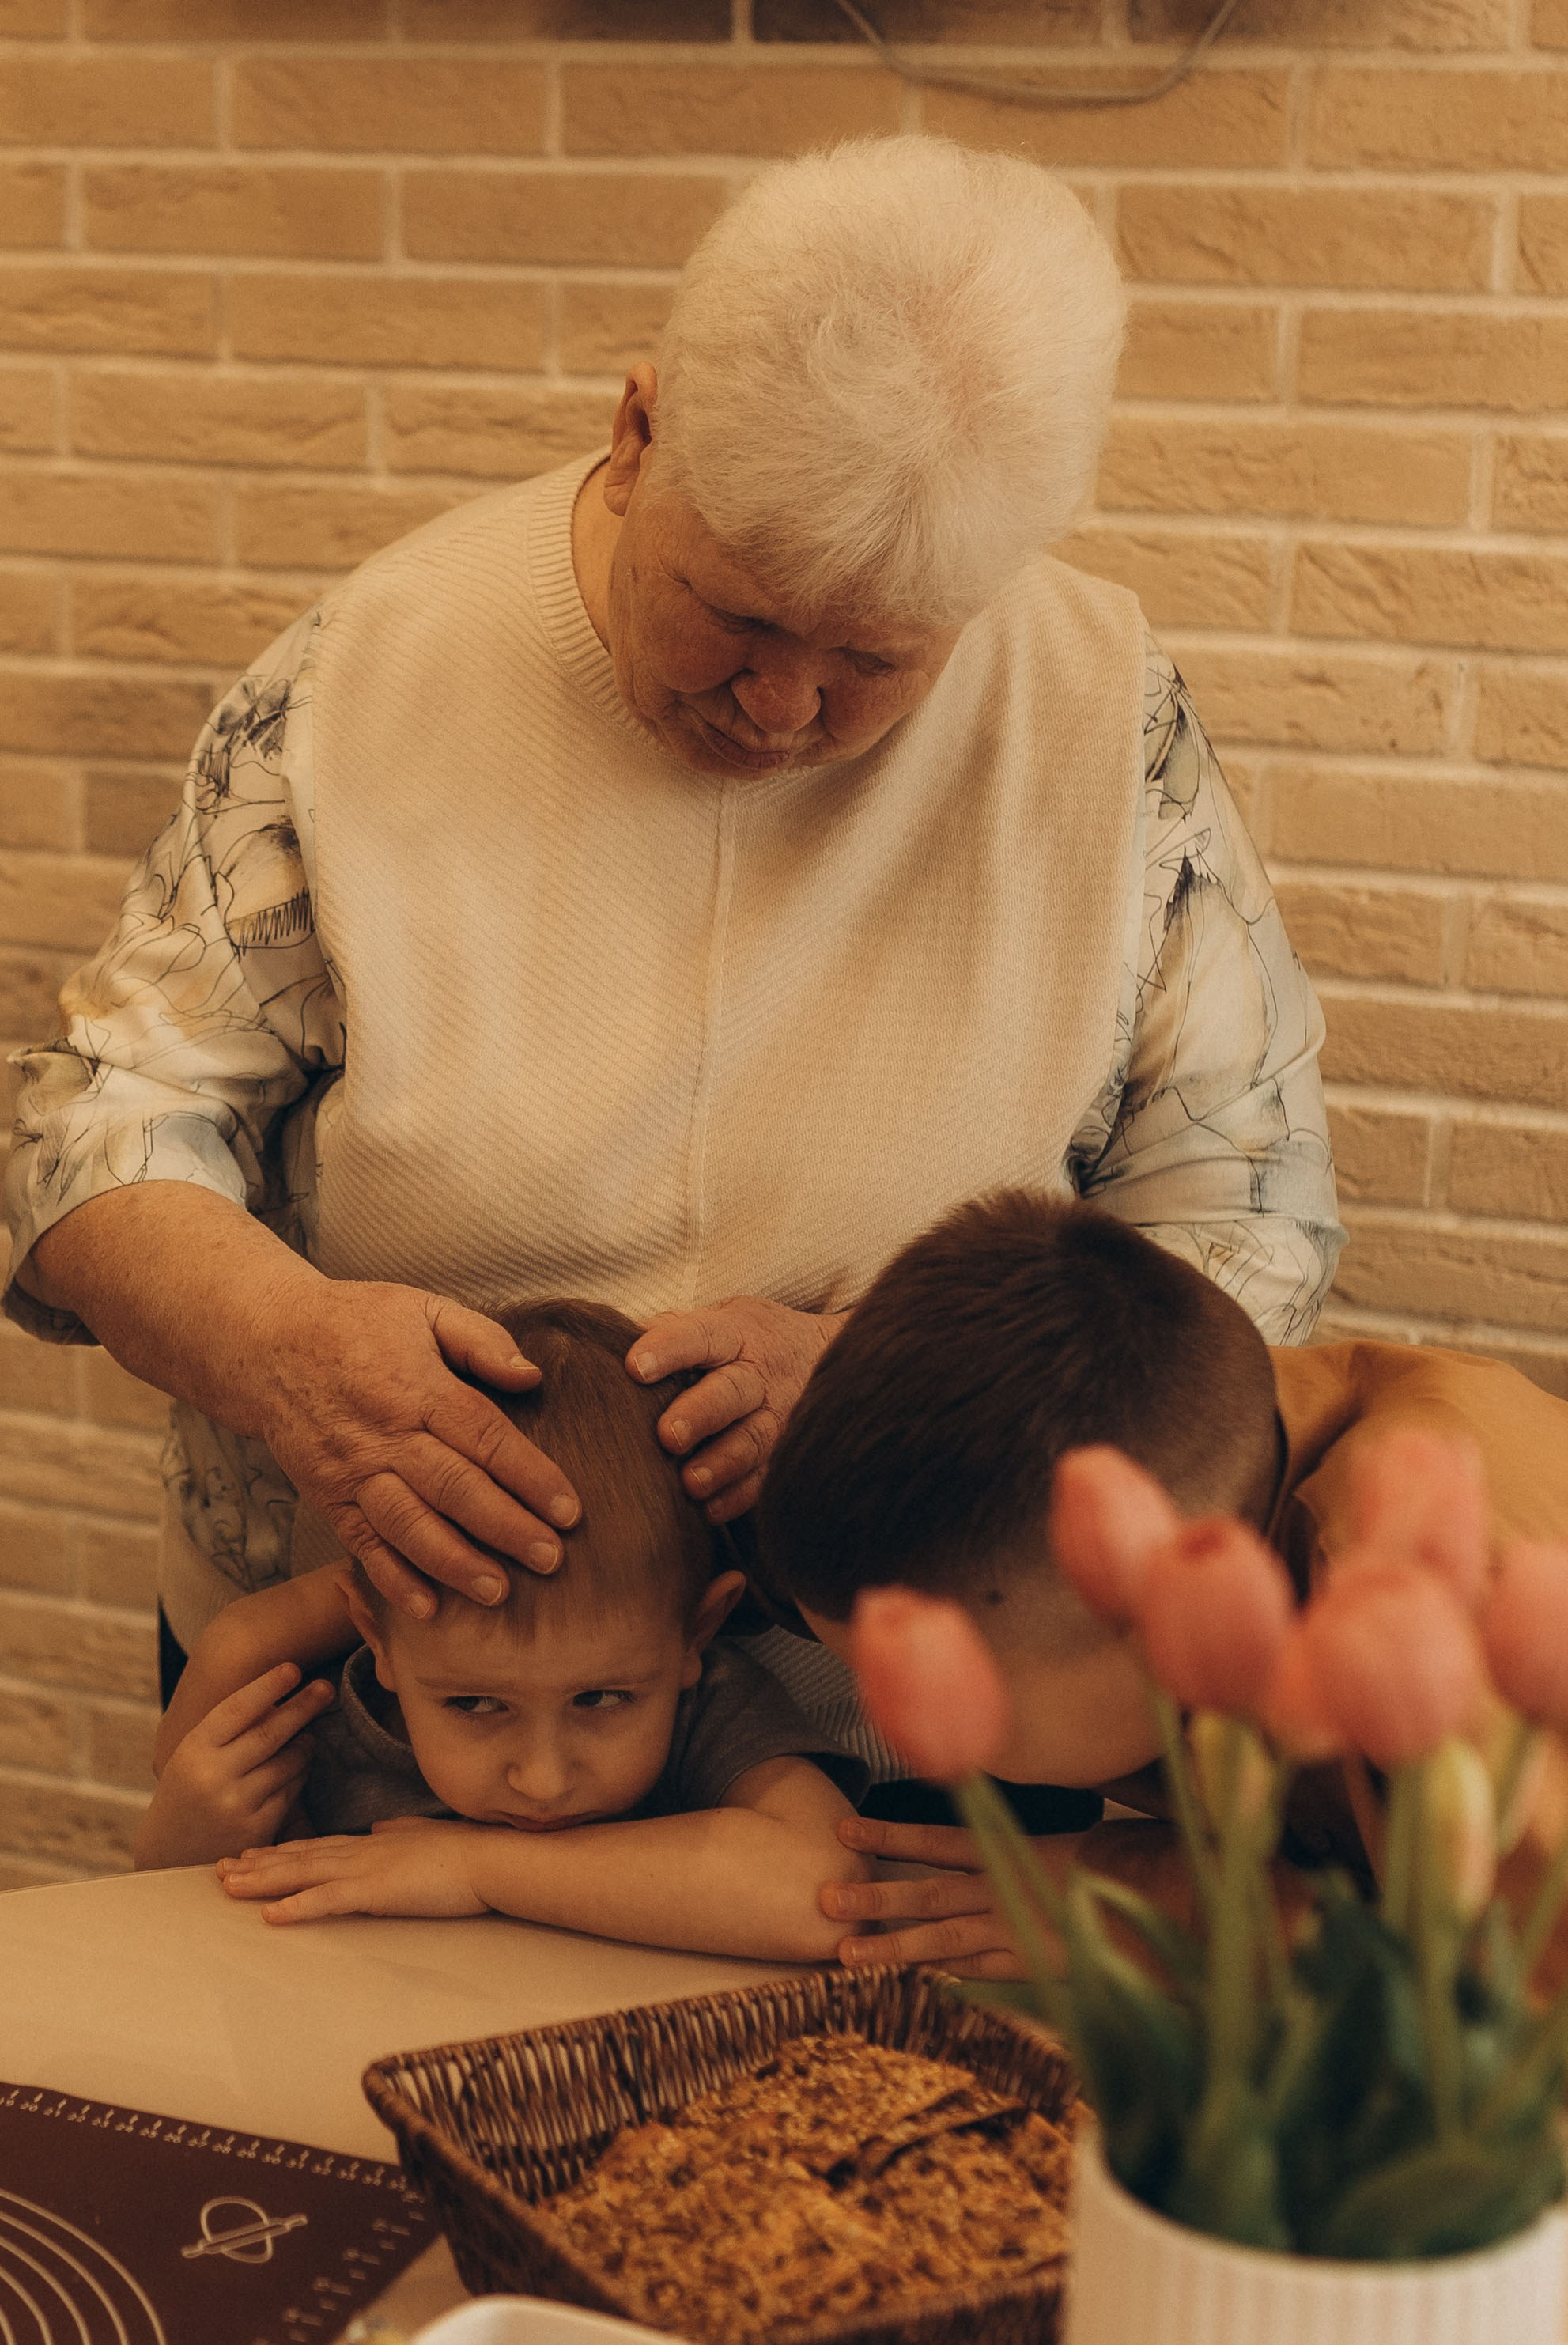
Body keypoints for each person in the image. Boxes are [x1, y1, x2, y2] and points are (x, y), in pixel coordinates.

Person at [4, 138, 1341, 1789]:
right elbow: (96, 1123)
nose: (780, 709)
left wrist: (922, 1400)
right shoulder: (366, 668)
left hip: (911, 1721)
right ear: (638, 432)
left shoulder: (1105, 718)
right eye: (737, 613)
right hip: (409, 1689)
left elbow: (1245, 1212)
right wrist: (284, 1347)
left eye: (873, 658)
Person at [754, 1190, 1568, 1972]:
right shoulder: (1190, 1431)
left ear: (1141, 1620)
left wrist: (1193, 1909)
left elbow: (1508, 2015)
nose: (893, 1720)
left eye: (914, 1680)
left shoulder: (1433, 1614)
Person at [138, 1301, 870, 1963]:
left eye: (602, 1699)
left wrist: (474, 1865)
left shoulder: (705, 1713)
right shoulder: (319, 1732)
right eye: (475, 1705)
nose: (543, 1781)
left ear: (696, 1634)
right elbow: (168, 1951)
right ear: (379, 1642)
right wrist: (184, 1836)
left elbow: (820, 1897)